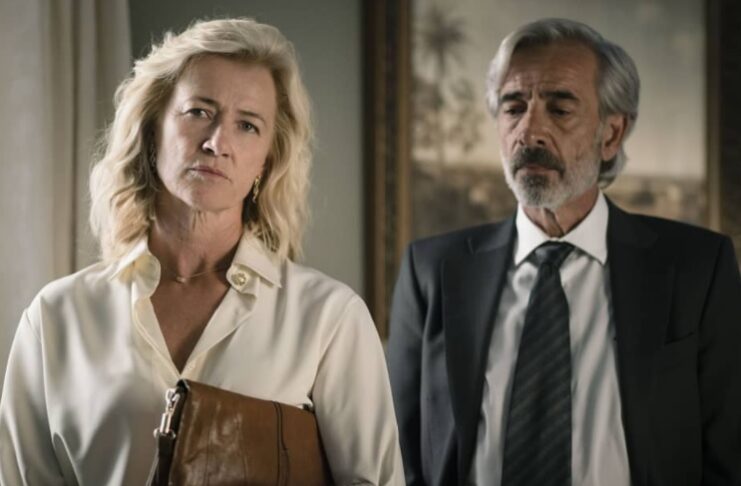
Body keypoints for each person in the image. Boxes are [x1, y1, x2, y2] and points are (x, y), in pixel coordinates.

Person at [0, 17, 404, 485]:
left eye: (247, 125)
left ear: (266, 160)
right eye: (198, 112)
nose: (217, 143)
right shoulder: (56, 318)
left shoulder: (329, 319)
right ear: (152, 129)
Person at [387, 17, 741, 486]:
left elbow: (728, 459)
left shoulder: (698, 268)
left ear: (611, 134)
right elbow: (398, 456)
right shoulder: (431, 271)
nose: (529, 132)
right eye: (514, 107)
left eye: (560, 108)